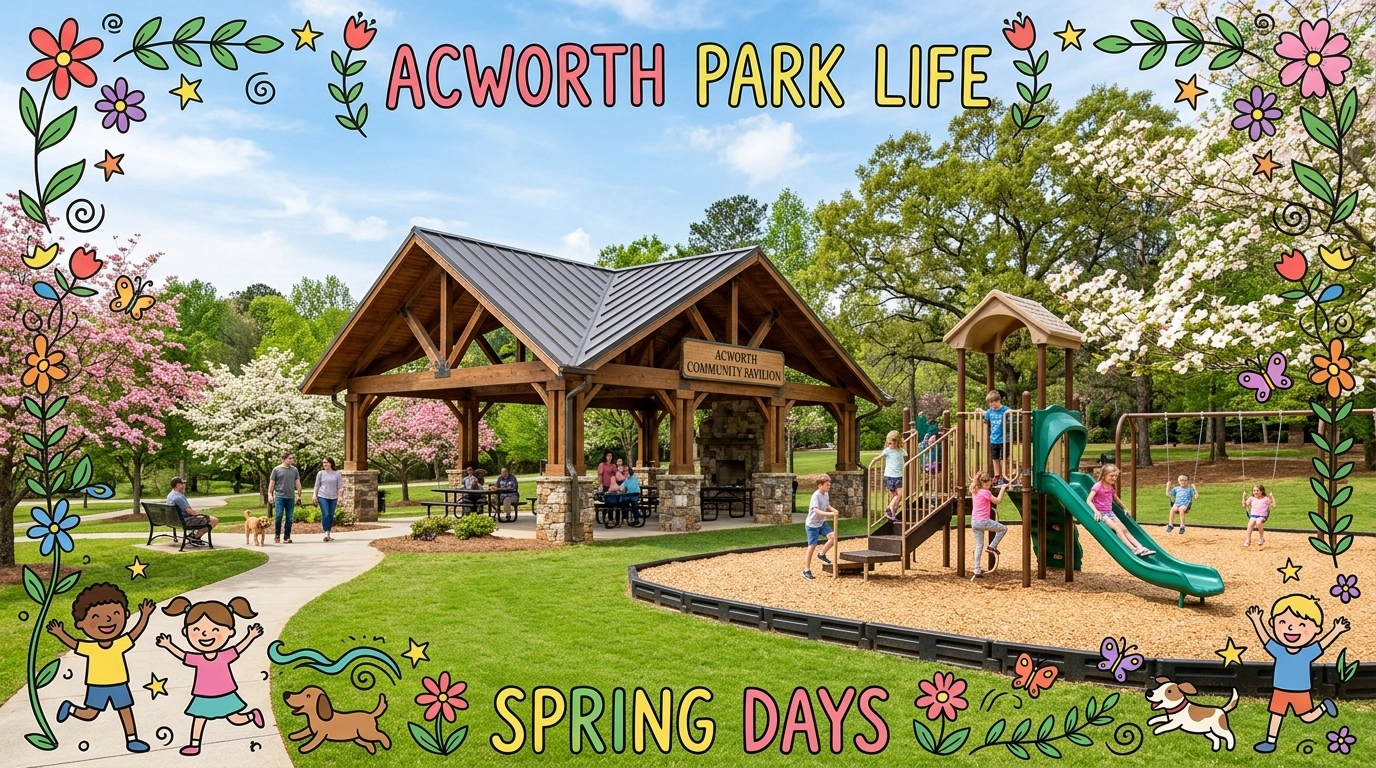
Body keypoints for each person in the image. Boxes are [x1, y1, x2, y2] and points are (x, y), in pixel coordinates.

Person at [49, 584, 157, 753]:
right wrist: (60, 633)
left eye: (115, 614)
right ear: (80, 624)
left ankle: (132, 739)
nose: (107, 621)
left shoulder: (119, 643)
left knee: (125, 710)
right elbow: (74, 644)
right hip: (97, 686)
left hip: (119, 684)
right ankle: (70, 708)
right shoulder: (90, 648)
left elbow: (135, 633)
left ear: (125, 615)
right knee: (90, 714)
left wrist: (144, 616)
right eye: (96, 616)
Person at [156, 596, 266, 756]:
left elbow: (239, 648)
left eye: (215, 630)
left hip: (225, 693)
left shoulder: (224, 655)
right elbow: (182, 655)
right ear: (186, 632)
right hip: (203, 694)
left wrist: (251, 636)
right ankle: (194, 745)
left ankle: (251, 715)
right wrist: (168, 645)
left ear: (230, 632)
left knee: (235, 718)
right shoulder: (198, 658)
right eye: (197, 630)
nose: (205, 635)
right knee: (199, 718)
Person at [1246, 594, 1347, 753]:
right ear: (1273, 623)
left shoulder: (1308, 652)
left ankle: (1324, 707)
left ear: (1317, 630)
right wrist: (1256, 620)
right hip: (1280, 689)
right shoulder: (1279, 650)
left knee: (1307, 717)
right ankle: (1270, 742)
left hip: (1301, 691)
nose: (1291, 628)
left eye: (1302, 624)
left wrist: (1337, 630)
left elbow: (1323, 644)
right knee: (1276, 715)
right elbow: (1265, 639)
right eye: (1283, 622)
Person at [1087, 464, 1154, 557]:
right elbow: (1089, 500)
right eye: (1111, 476)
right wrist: (1096, 511)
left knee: (1124, 529)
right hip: (1102, 514)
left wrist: (1124, 507)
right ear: (1104, 475)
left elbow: (1115, 498)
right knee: (1117, 529)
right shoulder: (1097, 486)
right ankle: (1133, 549)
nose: (1114, 478)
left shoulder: (1111, 487)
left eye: (1115, 476)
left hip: (1110, 513)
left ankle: (1140, 547)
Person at [970, 471, 1008, 579]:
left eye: (989, 484)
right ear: (981, 483)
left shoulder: (975, 491)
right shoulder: (986, 493)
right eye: (986, 484)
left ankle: (977, 569)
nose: (988, 486)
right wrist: (1003, 488)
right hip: (983, 521)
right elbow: (997, 501)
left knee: (979, 546)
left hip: (974, 522)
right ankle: (992, 546)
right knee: (1003, 529)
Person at [802, 474, 839, 580]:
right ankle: (806, 570)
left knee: (833, 537)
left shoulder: (826, 494)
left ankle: (822, 554)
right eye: (827, 485)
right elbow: (816, 511)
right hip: (812, 525)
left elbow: (827, 505)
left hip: (821, 523)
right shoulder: (815, 496)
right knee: (812, 546)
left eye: (829, 484)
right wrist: (830, 515)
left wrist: (833, 510)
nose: (829, 486)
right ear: (820, 485)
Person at [167, 477, 218, 545]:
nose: (184, 486)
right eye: (182, 484)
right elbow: (189, 511)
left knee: (205, 519)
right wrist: (199, 514)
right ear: (178, 485)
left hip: (175, 520)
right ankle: (195, 538)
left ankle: (193, 536)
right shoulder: (178, 497)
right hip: (184, 521)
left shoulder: (170, 495)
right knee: (213, 520)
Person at [976, 390, 1010, 484]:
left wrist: (1020, 411)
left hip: (1004, 439)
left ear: (998, 401)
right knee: (995, 459)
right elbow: (985, 416)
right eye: (990, 403)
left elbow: (1012, 412)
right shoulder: (990, 411)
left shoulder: (1005, 410)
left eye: (993, 402)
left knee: (1003, 458)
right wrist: (980, 411)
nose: (991, 405)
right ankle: (997, 476)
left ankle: (1004, 476)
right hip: (994, 439)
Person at [267, 452, 301, 544]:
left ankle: (287, 537)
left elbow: (297, 483)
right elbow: (272, 483)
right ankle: (277, 535)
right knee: (279, 516)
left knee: (289, 518)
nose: (291, 460)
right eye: (289, 458)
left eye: (292, 458)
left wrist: (299, 495)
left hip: (290, 497)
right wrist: (270, 494)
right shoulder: (276, 470)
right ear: (283, 459)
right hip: (279, 497)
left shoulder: (294, 470)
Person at [880, 430, 907, 521]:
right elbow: (880, 457)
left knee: (900, 494)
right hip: (889, 475)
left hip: (898, 475)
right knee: (893, 494)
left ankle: (890, 508)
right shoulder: (887, 451)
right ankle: (892, 514)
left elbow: (905, 459)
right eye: (889, 443)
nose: (891, 445)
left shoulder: (901, 451)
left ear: (897, 442)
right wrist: (874, 460)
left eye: (893, 443)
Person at [313, 457, 341, 542]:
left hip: (333, 497)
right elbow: (316, 486)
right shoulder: (320, 473)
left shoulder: (337, 474)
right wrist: (314, 495)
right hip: (322, 496)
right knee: (326, 514)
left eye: (327, 462)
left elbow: (340, 487)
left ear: (331, 463)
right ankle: (326, 532)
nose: (325, 464)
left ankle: (328, 532)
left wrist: (340, 497)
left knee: (331, 515)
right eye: (324, 463)